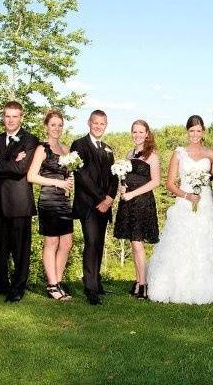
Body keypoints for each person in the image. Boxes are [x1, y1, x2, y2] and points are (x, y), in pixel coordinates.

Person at [147, 115, 213, 304]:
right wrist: (187, 195)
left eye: (198, 131)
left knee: (207, 242)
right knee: (182, 243)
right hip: (185, 203)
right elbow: (169, 184)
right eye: (191, 131)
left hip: (205, 203)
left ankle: (211, 286)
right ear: (187, 132)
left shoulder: (211, 154)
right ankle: (177, 287)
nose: (195, 134)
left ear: (203, 132)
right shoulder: (179, 153)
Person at [0, 101, 38, 303]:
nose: (11, 120)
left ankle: (17, 288)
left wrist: (0, 162)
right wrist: (10, 160)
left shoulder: (30, 140)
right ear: (3, 117)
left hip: (19, 202)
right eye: (7, 116)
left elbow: (21, 169)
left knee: (20, 249)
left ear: (21, 117)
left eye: (15, 116)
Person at [71, 110, 118, 305]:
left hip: (105, 205)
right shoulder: (78, 145)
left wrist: (109, 198)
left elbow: (115, 176)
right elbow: (81, 175)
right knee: (91, 243)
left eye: (102, 124)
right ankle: (90, 289)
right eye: (95, 123)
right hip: (88, 205)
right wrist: (101, 198)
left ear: (106, 125)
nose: (98, 126)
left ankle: (97, 282)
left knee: (99, 243)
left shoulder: (108, 149)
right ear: (89, 122)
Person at [27, 110, 75, 301]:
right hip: (49, 200)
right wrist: (57, 183)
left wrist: (69, 180)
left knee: (67, 242)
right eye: (53, 124)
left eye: (60, 125)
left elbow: (69, 174)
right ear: (46, 126)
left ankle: (57, 282)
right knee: (52, 242)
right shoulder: (42, 149)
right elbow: (31, 176)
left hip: (64, 199)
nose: (56, 128)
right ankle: (52, 285)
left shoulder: (66, 150)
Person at [113, 120, 160, 299]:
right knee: (133, 243)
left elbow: (155, 181)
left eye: (141, 132)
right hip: (128, 201)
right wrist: (122, 187)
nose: (137, 135)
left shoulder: (152, 155)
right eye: (134, 132)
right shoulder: (129, 153)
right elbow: (125, 178)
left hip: (142, 202)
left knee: (138, 244)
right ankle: (138, 279)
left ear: (147, 133)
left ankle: (144, 285)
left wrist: (133, 194)